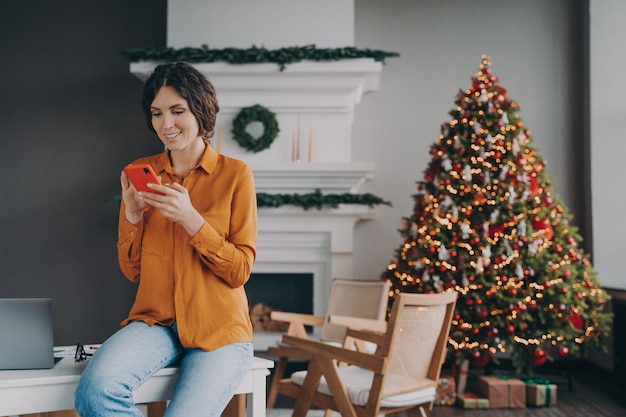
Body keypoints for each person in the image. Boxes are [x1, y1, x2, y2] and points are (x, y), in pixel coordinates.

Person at [75, 62, 257, 417]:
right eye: (157, 113)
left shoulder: (236, 175)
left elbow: (240, 271)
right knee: (94, 393)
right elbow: (132, 271)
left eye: (178, 111)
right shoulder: (142, 172)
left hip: (219, 330)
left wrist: (192, 221)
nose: (166, 124)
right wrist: (131, 216)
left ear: (201, 112)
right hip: (155, 323)